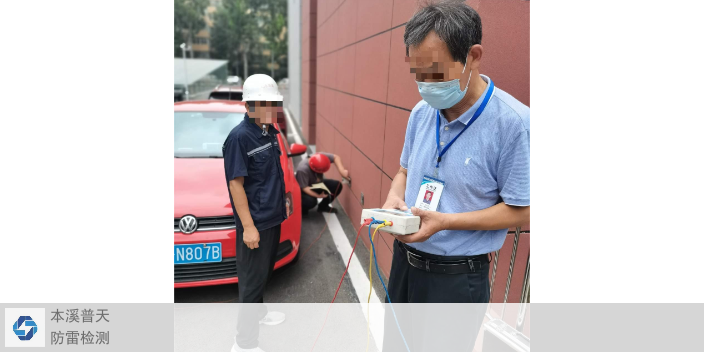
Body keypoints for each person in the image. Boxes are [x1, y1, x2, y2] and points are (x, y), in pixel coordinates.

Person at [381, 2, 530, 351]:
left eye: (434, 73)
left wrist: (446, 221)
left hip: (456, 278)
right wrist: (393, 197)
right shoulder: (422, 113)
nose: (425, 85)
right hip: (405, 264)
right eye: (417, 74)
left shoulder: (513, 124)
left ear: (473, 56)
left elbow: (523, 210)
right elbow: (404, 171)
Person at [222, 74, 288, 352]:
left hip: (272, 218)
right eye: (269, 104)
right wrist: (248, 227)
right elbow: (236, 185)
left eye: (275, 104)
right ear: (251, 104)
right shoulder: (239, 138)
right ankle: (244, 344)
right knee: (250, 283)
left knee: (262, 274)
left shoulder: (268, 131)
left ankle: (259, 315)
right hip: (256, 223)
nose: (275, 109)